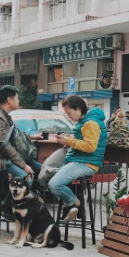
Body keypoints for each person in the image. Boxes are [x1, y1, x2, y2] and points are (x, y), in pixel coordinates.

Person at [48, 95, 107, 223]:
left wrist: (69, 140)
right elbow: (82, 142)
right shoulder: (84, 122)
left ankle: (74, 204)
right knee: (51, 179)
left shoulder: (90, 123)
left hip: (86, 163)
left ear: (78, 109)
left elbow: (90, 146)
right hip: (79, 160)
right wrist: (68, 141)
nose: (68, 116)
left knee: (54, 184)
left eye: (69, 113)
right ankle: (71, 205)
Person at [0, 85, 43, 185]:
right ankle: (11, 200)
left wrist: (31, 137)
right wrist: (23, 166)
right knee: (25, 179)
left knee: (42, 170)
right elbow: (4, 145)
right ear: (9, 100)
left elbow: (15, 135)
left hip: (7, 157)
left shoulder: (4, 116)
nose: (19, 101)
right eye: (17, 98)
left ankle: (31, 198)